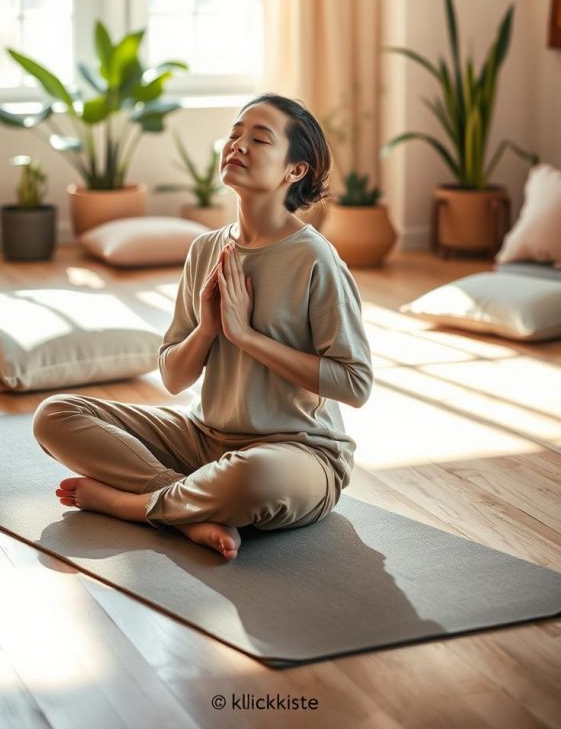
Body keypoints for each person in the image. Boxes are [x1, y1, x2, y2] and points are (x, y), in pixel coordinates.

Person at [32, 93, 373, 561]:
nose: (238, 145)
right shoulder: (205, 249)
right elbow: (173, 378)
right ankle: (190, 508)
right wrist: (209, 328)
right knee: (55, 414)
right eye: (234, 134)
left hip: (296, 453)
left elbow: (354, 384)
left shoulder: (314, 258)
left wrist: (247, 337)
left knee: (253, 478)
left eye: (259, 138)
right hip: (201, 439)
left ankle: (132, 506)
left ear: (295, 170)